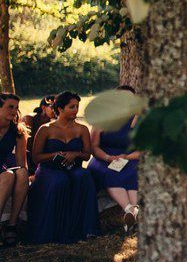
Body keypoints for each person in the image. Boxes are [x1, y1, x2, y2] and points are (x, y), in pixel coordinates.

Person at [25, 91, 100, 244]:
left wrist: (75, 154)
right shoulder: (46, 129)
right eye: (71, 107)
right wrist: (55, 155)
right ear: (60, 109)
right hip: (49, 170)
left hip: (73, 168)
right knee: (60, 181)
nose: (75, 110)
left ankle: (87, 229)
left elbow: (87, 155)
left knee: (84, 176)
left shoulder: (81, 129)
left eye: (77, 107)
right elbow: (36, 157)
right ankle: (57, 232)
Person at [87, 85, 142, 230]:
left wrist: (128, 157)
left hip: (129, 156)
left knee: (132, 171)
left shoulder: (139, 118)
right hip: (103, 157)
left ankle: (134, 212)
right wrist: (108, 157)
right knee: (110, 172)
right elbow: (94, 147)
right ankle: (129, 209)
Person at [0, 93, 29, 245]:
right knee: (8, 176)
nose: (14, 111)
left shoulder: (18, 131)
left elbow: (21, 163)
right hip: (3, 172)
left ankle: (11, 225)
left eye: (16, 107)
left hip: (3, 168)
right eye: (10, 107)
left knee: (20, 172)